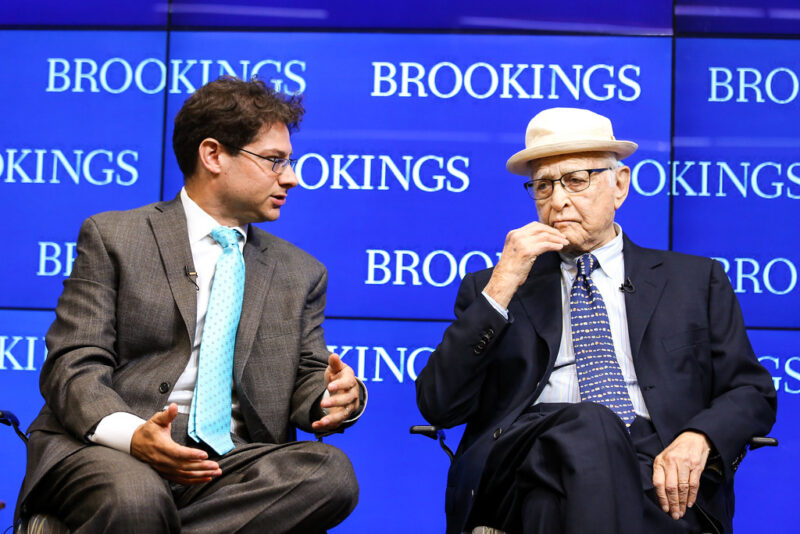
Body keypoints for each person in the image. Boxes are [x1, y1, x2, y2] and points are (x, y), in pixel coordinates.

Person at [16, 76, 365, 534]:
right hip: (111, 450)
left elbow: (307, 380)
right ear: (213, 155)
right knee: (138, 497)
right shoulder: (114, 237)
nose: (291, 178)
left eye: (289, 162)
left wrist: (337, 398)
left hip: (230, 466)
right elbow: (73, 365)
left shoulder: (300, 272)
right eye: (274, 161)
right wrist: (134, 436)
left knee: (331, 473)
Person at [416, 107, 776, 534]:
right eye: (544, 186)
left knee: (555, 503)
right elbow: (438, 403)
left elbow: (751, 390)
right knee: (591, 422)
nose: (558, 201)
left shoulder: (695, 280)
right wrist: (501, 287)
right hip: (519, 458)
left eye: (575, 180)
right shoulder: (494, 286)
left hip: (654, 470)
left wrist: (699, 437)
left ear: (619, 184)